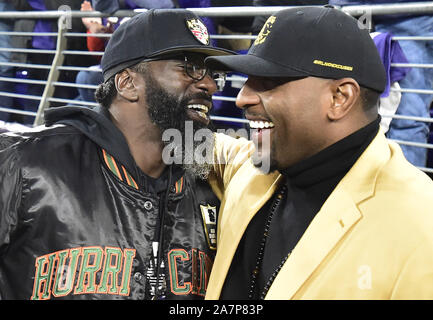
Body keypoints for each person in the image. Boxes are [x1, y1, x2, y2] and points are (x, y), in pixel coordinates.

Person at [0, 9, 233, 300]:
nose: (209, 85)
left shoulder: (213, 186)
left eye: (213, 73)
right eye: (189, 68)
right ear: (127, 83)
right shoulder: (22, 162)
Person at [204, 6, 433, 299]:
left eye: (269, 81)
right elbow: (174, 140)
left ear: (340, 97)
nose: (242, 98)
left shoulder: (419, 225)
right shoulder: (251, 166)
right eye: (248, 79)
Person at [329, 0, 433, 168]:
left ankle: (400, 190)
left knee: (406, 118)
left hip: (409, 17)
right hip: (350, 12)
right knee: (343, 112)